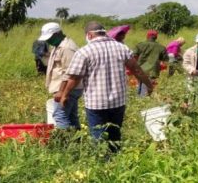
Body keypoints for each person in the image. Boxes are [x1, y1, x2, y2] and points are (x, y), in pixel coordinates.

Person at [60, 21, 153, 152]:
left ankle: (103, 163)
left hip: (96, 104)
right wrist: (149, 85)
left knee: (98, 137)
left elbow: (74, 78)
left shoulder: (84, 52)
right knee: (115, 135)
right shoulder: (121, 48)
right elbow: (136, 69)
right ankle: (116, 161)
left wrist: (65, 95)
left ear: (90, 35)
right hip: (118, 101)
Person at [38, 22, 83, 130]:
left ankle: (65, 144)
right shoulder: (58, 45)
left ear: (58, 33)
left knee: (60, 115)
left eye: (50, 37)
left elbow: (70, 73)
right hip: (68, 88)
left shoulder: (67, 48)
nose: (48, 40)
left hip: (68, 88)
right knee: (71, 117)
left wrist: (61, 92)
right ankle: (77, 143)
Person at [133, 30, 168, 96]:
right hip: (153, 71)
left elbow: (134, 56)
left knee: (139, 89)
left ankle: (139, 102)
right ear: (156, 37)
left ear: (147, 36)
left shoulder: (140, 45)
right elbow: (165, 60)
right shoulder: (161, 47)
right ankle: (143, 103)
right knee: (148, 92)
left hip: (140, 71)